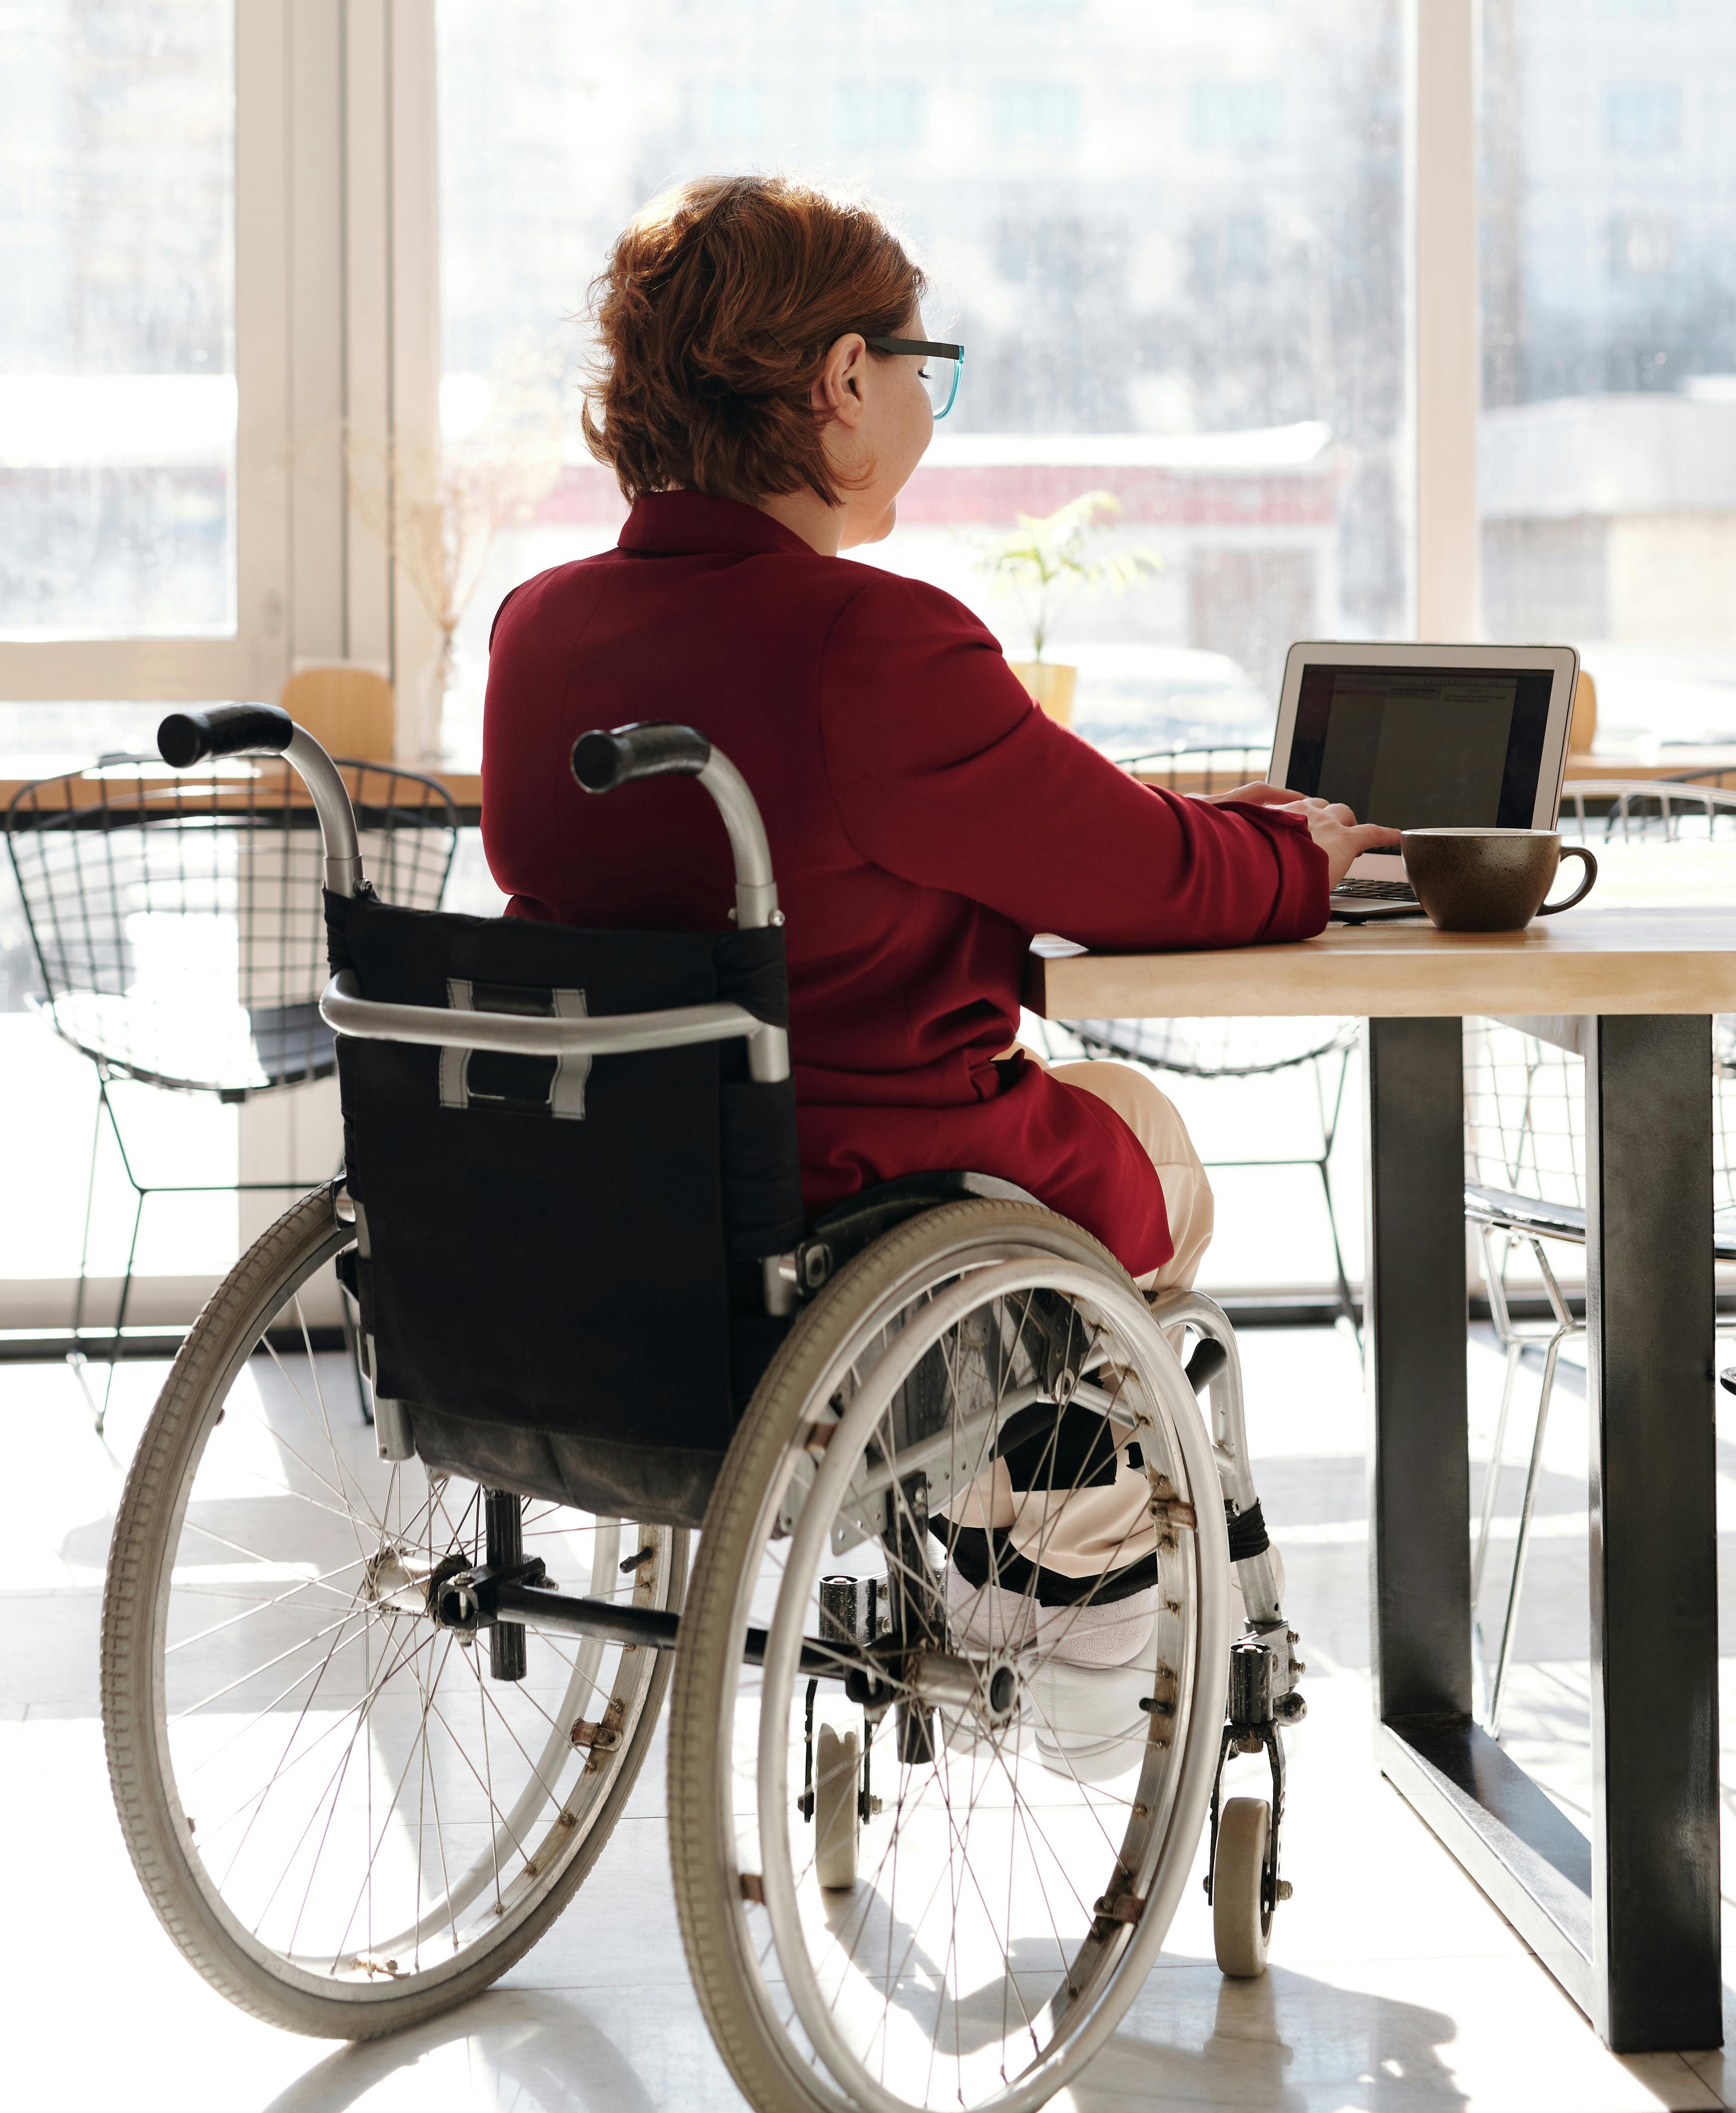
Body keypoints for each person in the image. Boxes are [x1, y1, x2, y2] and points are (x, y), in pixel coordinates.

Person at [481, 174, 1399, 1755]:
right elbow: (1154, 880)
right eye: (923, 367)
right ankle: (1068, 1591)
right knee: (1147, 1150)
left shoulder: (537, 626)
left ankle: (1004, 1522)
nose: (927, 405)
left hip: (597, 1212)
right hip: (860, 1207)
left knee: (1039, 1147)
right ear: (842, 381)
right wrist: (1295, 853)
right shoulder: (873, 642)